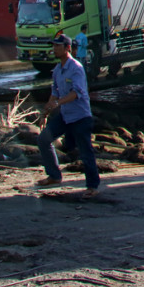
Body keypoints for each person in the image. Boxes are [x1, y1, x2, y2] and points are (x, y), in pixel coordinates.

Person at [36, 34, 101, 197]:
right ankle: (54, 176)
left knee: (85, 151)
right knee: (43, 139)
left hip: (80, 117)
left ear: (67, 48)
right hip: (66, 116)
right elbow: (55, 92)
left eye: (58, 46)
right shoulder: (57, 70)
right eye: (54, 46)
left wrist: (58, 103)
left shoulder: (76, 68)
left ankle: (92, 186)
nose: (54, 49)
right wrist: (47, 109)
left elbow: (77, 92)